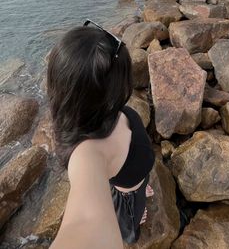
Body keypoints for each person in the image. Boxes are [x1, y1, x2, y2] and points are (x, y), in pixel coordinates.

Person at [47, 19, 156, 249]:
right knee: (130, 227)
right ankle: (132, 212)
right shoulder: (87, 154)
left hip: (134, 177)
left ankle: (138, 190)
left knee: (138, 187)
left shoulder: (105, 111)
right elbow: (86, 224)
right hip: (126, 194)